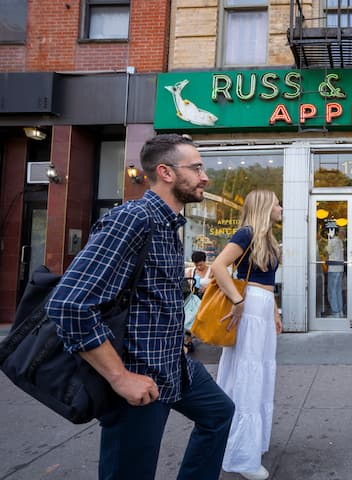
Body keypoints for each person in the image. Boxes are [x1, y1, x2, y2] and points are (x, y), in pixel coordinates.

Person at [46, 134, 235, 480]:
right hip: (138, 375)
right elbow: (69, 304)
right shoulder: (133, 219)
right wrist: (120, 378)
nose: (205, 177)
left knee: (219, 413)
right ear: (165, 172)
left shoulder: (168, 224)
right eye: (196, 168)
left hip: (174, 365)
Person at [211, 189, 283, 480]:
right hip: (250, 306)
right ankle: (242, 457)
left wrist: (274, 310)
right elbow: (218, 266)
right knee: (248, 375)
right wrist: (238, 300)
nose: (280, 207)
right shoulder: (247, 233)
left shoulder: (265, 237)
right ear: (265, 207)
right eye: (277, 203)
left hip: (261, 307)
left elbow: (267, 281)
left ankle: (249, 446)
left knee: (258, 374)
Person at [326, 227, 345, 316]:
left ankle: (335, 312)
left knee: (332, 290)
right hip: (340, 268)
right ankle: (339, 311)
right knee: (338, 290)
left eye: (343, 232)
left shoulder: (333, 241)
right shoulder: (341, 242)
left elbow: (328, 251)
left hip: (333, 268)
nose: (343, 234)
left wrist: (329, 240)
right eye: (342, 232)